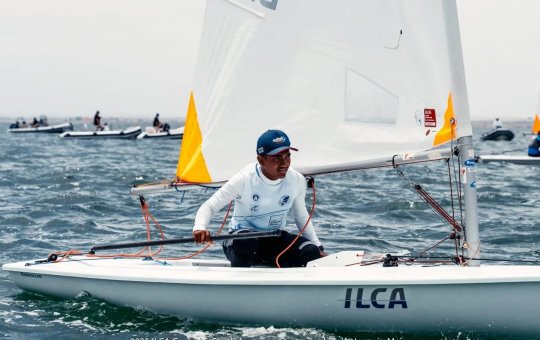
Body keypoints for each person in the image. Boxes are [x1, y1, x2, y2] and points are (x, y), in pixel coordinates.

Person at [193, 129, 326, 268]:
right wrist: (199, 227)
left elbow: (301, 216)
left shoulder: (296, 180)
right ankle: (241, 283)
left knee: (310, 252)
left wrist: (318, 247)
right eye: (277, 158)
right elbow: (209, 206)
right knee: (246, 244)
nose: (285, 163)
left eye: (287, 156)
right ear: (261, 160)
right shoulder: (244, 179)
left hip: (274, 238)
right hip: (240, 240)